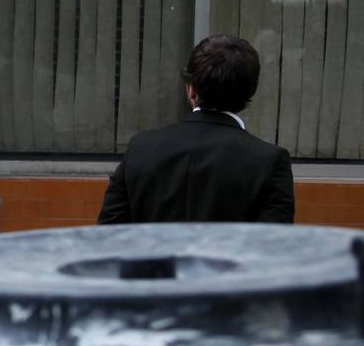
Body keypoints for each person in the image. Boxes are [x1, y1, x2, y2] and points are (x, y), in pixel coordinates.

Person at [98, 35, 294, 225]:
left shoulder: (140, 148)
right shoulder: (269, 161)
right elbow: (273, 246)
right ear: (250, 92)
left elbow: (108, 234)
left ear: (191, 90)